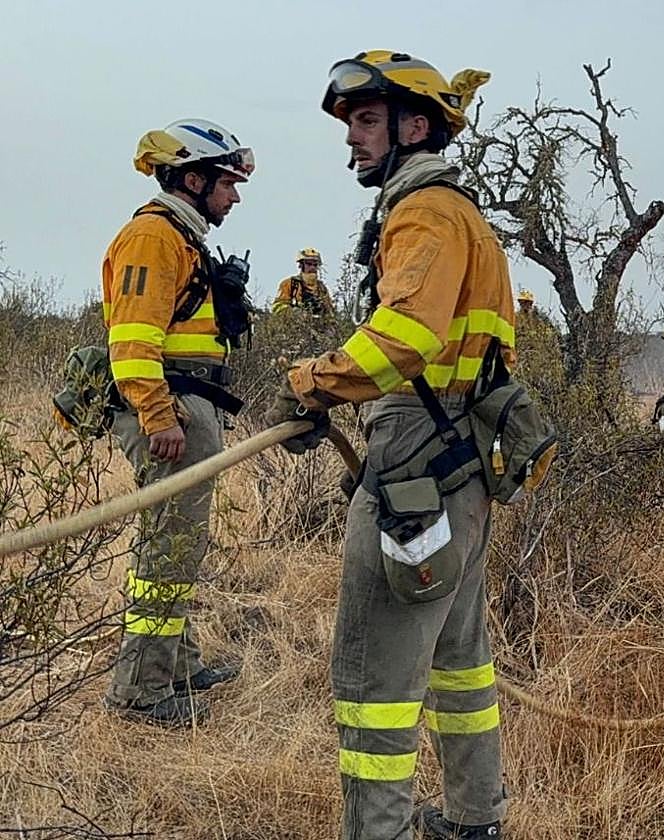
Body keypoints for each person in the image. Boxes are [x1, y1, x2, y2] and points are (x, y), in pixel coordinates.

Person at [265, 50, 507, 839]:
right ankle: (476, 821)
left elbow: (403, 338)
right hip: (461, 463)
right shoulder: (463, 215)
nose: (353, 143)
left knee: (374, 678)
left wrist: (313, 380)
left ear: (415, 124)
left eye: (366, 122)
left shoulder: (426, 213)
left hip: (415, 463)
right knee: (461, 664)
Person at [102, 119, 255, 726]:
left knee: (180, 543)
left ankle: (177, 665)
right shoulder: (152, 237)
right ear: (192, 179)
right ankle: (140, 692)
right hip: (171, 409)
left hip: (189, 404)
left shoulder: (182, 238)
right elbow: (133, 338)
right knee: (168, 547)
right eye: (227, 183)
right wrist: (159, 415)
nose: (235, 196)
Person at [272, 247, 336, 316]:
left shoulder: (322, 288)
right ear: (301, 265)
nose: (312, 267)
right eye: (309, 264)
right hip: (293, 325)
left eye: (315, 265)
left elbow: (330, 312)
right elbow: (277, 307)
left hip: (318, 326)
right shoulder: (290, 284)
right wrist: (295, 312)